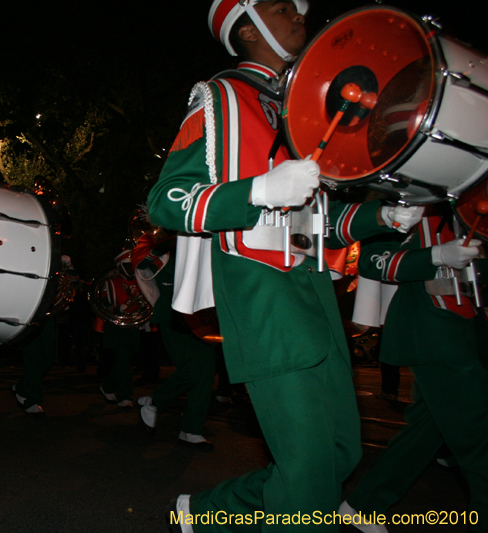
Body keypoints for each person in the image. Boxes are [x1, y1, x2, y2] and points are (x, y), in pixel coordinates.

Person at [146, 0, 422, 530]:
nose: (301, 15)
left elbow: (322, 222)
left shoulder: (302, 107)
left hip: (314, 293)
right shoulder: (219, 96)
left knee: (341, 454)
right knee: (310, 477)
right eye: (281, 8)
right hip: (261, 295)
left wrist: (380, 215)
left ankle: (203, 514)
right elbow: (166, 199)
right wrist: (259, 190)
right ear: (247, 30)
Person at [339, 206, 487, 533]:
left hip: (466, 323)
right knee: (481, 439)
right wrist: (435, 255)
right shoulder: (405, 191)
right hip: (431, 326)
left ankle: (364, 504)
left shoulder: (465, 199)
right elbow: (372, 260)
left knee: (429, 428)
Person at [133, 227, 217, 449]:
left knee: (206, 368)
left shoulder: (198, 244)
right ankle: (155, 403)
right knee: (195, 368)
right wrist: (163, 247)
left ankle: (190, 429)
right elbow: (144, 269)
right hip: (174, 312)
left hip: (200, 311)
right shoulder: (164, 248)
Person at [12, 255, 78, 415]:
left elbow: (73, 285)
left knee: (48, 360)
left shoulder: (53, 264)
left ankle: (21, 387)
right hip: (28, 315)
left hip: (46, 318)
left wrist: (69, 267)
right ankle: (33, 401)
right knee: (33, 360)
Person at [96, 249, 144, 408]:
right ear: (120, 266)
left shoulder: (140, 282)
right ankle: (125, 396)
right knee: (123, 360)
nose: (131, 269)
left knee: (127, 361)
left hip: (133, 326)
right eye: (128, 266)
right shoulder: (109, 283)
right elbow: (101, 305)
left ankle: (107, 387)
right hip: (116, 327)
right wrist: (117, 310)